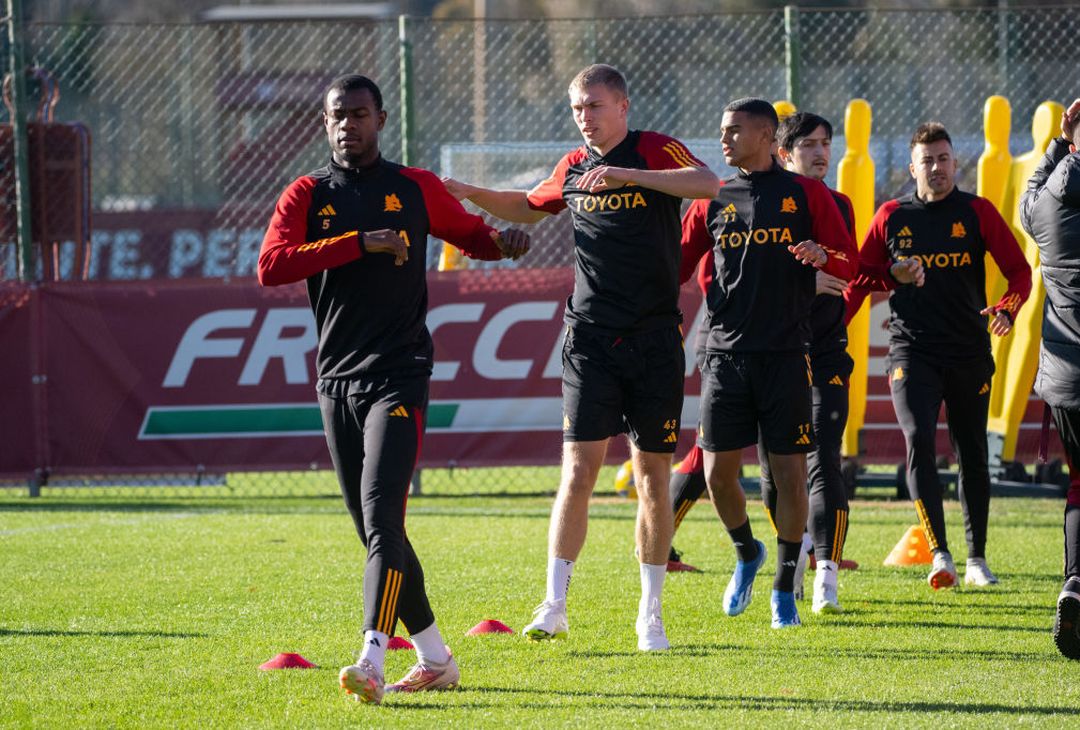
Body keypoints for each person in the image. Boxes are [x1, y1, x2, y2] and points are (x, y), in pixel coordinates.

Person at [258, 74, 531, 704]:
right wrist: (359, 243)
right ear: (325, 124)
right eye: (337, 117)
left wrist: (504, 241)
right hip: (336, 380)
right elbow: (271, 267)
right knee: (375, 532)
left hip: (400, 372)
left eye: (359, 114)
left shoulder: (415, 187)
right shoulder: (307, 193)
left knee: (383, 522)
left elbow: (473, 237)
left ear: (381, 119)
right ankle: (435, 657)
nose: (348, 125)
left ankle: (372, 659)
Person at [444, 64, 719, 651]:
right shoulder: (572, 165)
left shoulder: (652, 149)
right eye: (576, 108)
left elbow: (706, 183)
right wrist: (472, 194)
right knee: (577, 472)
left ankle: (650, 614)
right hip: (590, 340)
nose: (585, 117)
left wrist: (626, 173)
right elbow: (529, 204)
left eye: (594, 105)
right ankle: (555, 604)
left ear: (622, 105)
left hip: (652, 342)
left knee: (650, 479)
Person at [667, 113, 867, 615]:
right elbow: (674, 266)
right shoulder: (712, 196)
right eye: (721, 129)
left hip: (785, 355)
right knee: (716, 475)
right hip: (723, 354)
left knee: (790, 473)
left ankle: (783, 589)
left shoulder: (807, 195)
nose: (724, 138)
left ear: (764, 136)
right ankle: (746, 552)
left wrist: (823, 256)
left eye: (734, 130)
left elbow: (850, 264)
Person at [848, 122, 1031, 590]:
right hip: (912, 350)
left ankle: (976, 558)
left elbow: (1019, 273)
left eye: (944, 158)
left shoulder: (977, 212)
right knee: (918, 440)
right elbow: (861, 275)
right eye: (927, 160)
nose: (937, 167)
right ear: (912, 168)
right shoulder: (890, 215)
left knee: (971, 451)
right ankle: (940, 552)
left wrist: (1008, 310)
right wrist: (893, 274)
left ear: (955, 163)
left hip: (969, 351)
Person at [1018, 98, 1080, 660]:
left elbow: (1025, 201)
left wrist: (1062, 142)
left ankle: (1075, 582)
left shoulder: (1049, 206)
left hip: (1065, 377)